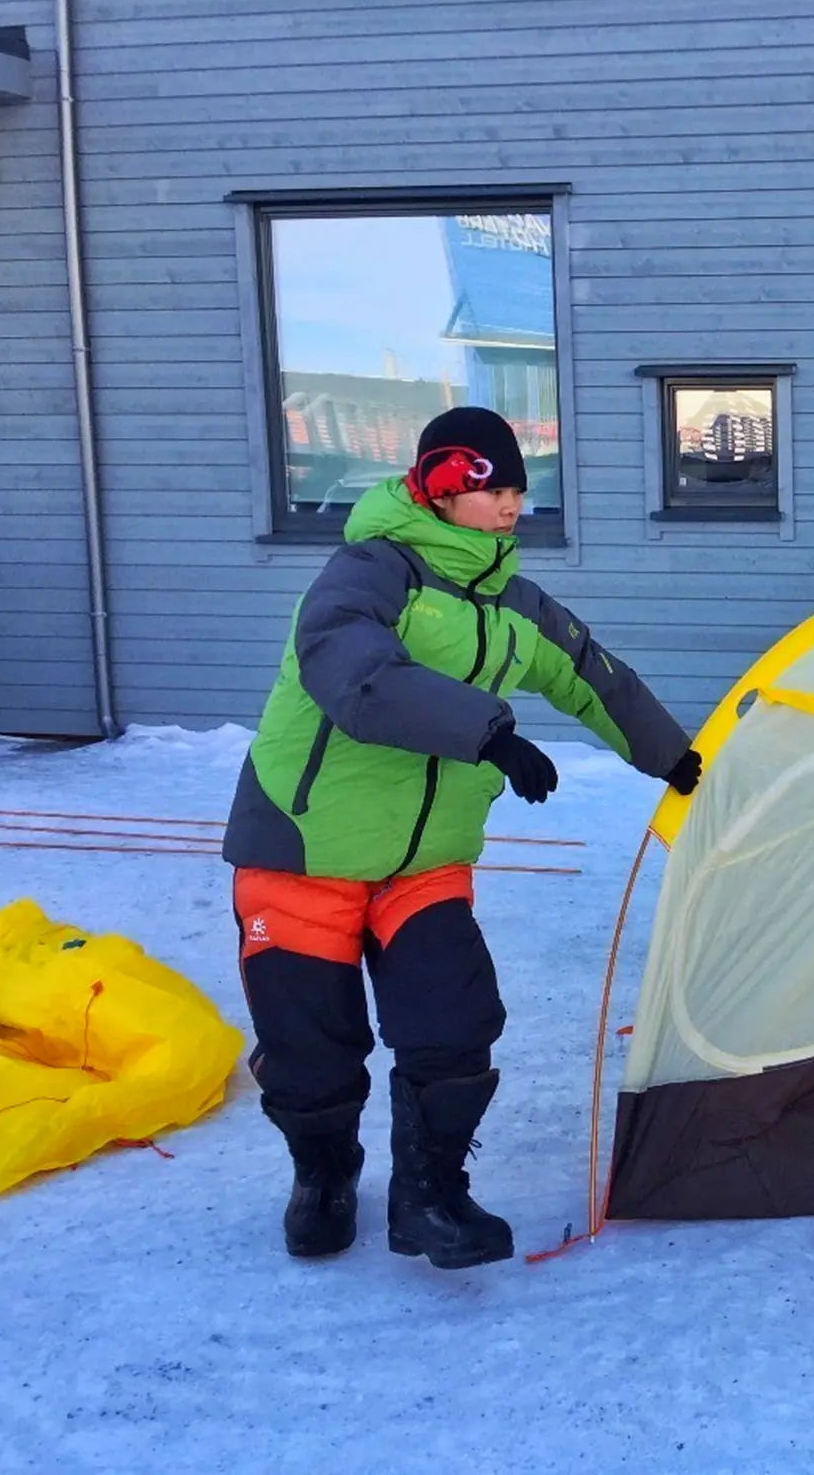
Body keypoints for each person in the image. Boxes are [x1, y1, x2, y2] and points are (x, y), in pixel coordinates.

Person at [222, 407, 703, 1270]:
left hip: (423, 864)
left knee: (454, 1021)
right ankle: (323, 1175)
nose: (514, 505)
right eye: (495, 489)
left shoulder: (515, 603)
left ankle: (430, 1196)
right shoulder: (366, 575)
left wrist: (675, 758)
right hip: (303, 849)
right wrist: (489, 731)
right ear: (442, 489)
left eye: (522, 488)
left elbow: (594, 677)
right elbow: (355, 674)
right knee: (311, 1050)